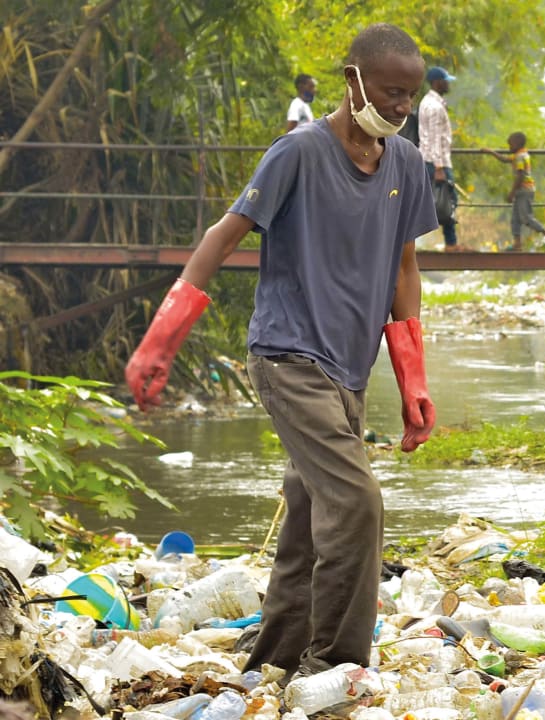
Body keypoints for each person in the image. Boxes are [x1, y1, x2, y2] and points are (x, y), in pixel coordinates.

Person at [124, 23, 437, 681]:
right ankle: (339, 663)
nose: (401, 107)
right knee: (356, 502)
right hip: (287, 356)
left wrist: (413, 380)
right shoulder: (298, 152)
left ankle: (275, 661)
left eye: (409, 95)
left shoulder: (405, 165)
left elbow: (405, 268)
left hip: (350, 368)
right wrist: (161, 342)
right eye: (390, 92)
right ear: (352, 79)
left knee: (307, 518)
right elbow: (223, 234)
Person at [485, 132, 545, 252]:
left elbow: (520, 175)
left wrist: (512, 193)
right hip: (521, 191)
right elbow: (505, 159)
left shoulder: (520, 156)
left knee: (526, 217)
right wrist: (491, 152)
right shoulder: (521, 154)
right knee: (515, 219)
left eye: (510, 145)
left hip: (524, 190)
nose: (509, 148)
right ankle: (517, 244)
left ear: (517, 144)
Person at [419, 66, 460, 251]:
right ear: (437, 82)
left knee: (434, 200)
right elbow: (435, 137)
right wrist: (439, 167)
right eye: (445, 81)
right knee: (448, 200)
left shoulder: (429, 102)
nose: (448, 84)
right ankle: (450, 243)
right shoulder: (434, 107)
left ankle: (450, 242)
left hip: (430, 159)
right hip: (436, 161)